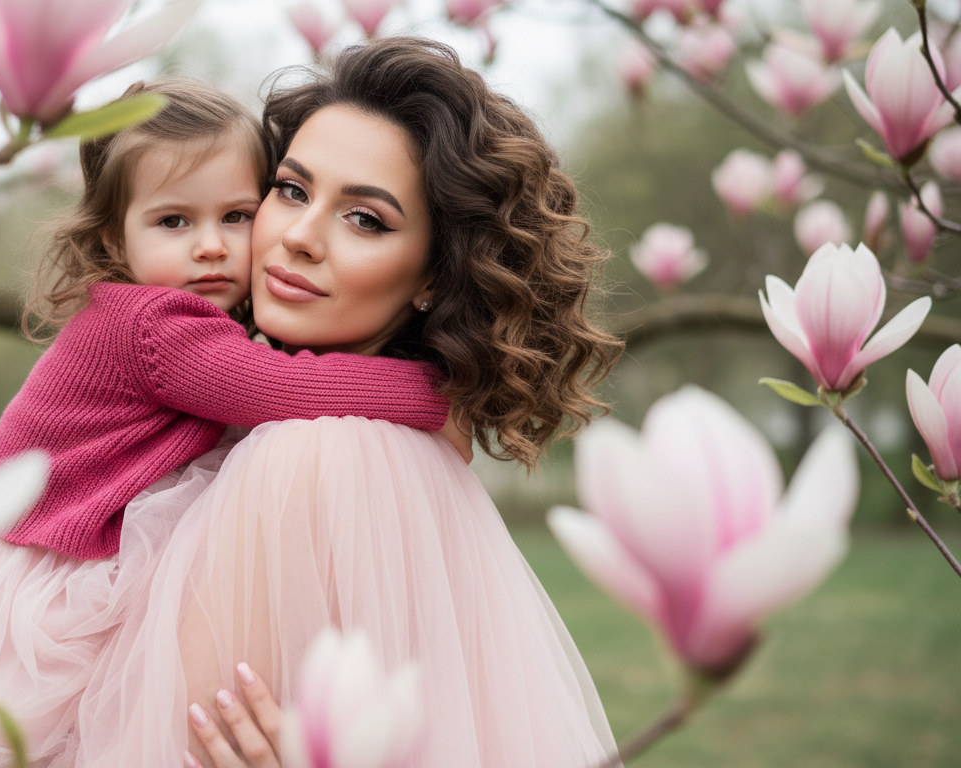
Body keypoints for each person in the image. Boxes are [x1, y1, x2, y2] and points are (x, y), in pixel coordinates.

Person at [0, 75, 469, 767]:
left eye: (236, 216)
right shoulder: (151, 325)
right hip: (37, 588)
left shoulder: (194, 319)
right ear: (117, 239)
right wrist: (432, 395)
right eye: (174, 222)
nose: (211, 246)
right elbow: (280, 387)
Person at [87, 38, 624, 767]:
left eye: (365, 219)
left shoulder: (308, 452)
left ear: (435, 275)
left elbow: (145, 748)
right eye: (291, 190)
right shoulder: (416, 449)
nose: (299, 239)